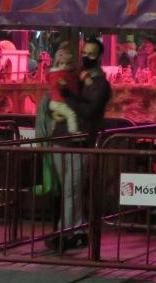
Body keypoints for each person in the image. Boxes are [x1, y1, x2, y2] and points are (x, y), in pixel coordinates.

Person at [41, 37, 112, 252]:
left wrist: (68, 97)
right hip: (61, 138)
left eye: (91, 54)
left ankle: (64, 233)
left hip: (80, 141)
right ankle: (78, 230)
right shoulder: (73, 75)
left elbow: (90, 111)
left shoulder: (100, 84)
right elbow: (52, 97)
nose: (86, 57)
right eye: (84, 53)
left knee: (71, 189)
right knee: (69, 190)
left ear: (99, 56)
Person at [47, 46, 80, 133]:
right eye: (62, 63)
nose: (65, 66)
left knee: (68, 114)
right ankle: (73, 132)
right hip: (59, 102)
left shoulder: (67, 74)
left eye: (67, 64)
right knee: (70, 114)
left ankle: (54, 129)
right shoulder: (59, 74)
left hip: (59, 102)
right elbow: (54, 84)